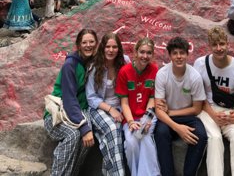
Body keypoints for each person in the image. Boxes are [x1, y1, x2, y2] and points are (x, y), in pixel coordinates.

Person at [194, 27, 234, 176]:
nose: (219, 48)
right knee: (215, 138)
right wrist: (213, 116)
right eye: (215, 45)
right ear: (209, 46)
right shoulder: (200, 64)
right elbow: (199, 97)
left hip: (229, 110)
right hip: (207, 109)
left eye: (222, 44)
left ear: (227, 44)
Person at [44, 29, 98, 176]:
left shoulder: (91, 63)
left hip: (77, 113)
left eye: (91, 42)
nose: (88, 45)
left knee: (87, 134)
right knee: (74, 135)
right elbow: (69, 99)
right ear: (78, 45)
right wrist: (84, 127)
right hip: (58, 116)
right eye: (84, 42)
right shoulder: (70, 65)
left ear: (97, 43)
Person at [154, 37, 207, 176]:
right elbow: (159, 110)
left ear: (187, 54)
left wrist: (171, 112)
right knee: (161, 133)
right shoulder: (162, 74)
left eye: (182, 53)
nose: (179, 57)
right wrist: (177, 128)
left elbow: (197, 109)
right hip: (167, 117)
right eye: (175, 53)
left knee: (201, 135)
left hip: (187, 115)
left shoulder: (194, 76)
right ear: (170, 55)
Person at [86, 32, 131, 176]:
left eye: (114, 47)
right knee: (112, 129)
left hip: (120, 107)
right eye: (107, 47)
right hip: (99, 108)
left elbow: (131, 85)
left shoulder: (125, 62)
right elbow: (91, 97)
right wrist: (110, 109)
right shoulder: (94, 66)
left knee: (111, 136)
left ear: (119, 49)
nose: (111, 50)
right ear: (102, 48)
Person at [115, 38, 160, 176]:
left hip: (148, 115)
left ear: (152, 54)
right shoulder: (125, 72)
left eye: (148, 53)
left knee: (145, 138)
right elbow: (124, 103)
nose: (145, 56)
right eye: (142, 52)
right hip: (130, 117)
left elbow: (152, 98)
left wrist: (147, 120)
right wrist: (130, 122)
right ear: (135, 52)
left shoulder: (154, 70)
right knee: (131, 143)